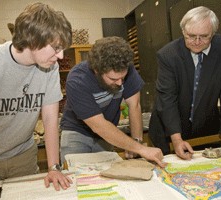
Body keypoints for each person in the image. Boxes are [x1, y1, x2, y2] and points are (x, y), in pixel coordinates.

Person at [0, 2, 72, 191]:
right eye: (56, 48)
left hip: (22, 155)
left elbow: (50, 120)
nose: (60, 56)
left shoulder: (50, 68)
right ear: (34, 40)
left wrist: (54, 167)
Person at [148, 6, 221, 160]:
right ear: (183, 31)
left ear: (213, 34)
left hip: (204, 124)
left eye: (204, 36)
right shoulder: (168, 55)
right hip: (169, 127)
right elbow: (167, 99)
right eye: (191, 36)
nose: (197, 42)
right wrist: (176, 139)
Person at [60, 36, 165, 167]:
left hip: (107, 134)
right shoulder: (77, 80)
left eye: (123, 77)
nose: (120, 83)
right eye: (113, 79)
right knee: (76, 178)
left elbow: (134, 105)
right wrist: (141, 149)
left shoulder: (126, 68)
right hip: (77, 133)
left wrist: (136, 141)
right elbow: (98, 125)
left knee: (108, 177)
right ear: (96, 70)